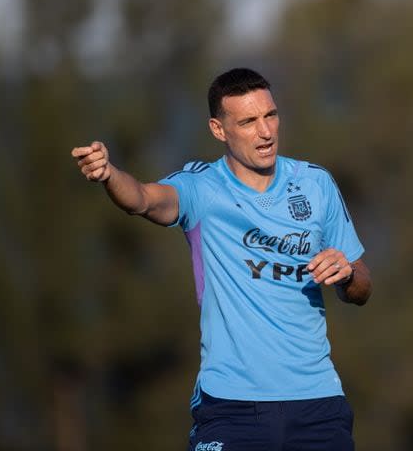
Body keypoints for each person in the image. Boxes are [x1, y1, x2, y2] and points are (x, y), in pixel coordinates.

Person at [71, 67, 372, 451]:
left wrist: (347, 275)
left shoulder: (316, 184)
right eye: (248, 121)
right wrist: (109, 174)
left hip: (318, 403)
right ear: (218, 129)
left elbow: (362, 285)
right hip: (232, 408)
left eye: (271, 115)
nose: (265, 132)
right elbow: (143, 199)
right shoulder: (201, 189)